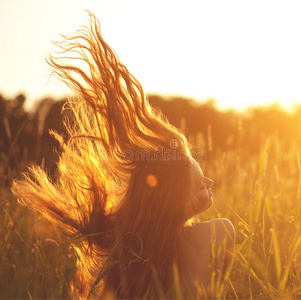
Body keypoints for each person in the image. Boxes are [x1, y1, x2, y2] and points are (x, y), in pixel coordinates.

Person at [12, 12, 235, 299]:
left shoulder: (128, 259)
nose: (211, 183)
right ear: (177, 200)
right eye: (201, 182)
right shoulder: (215, 235)